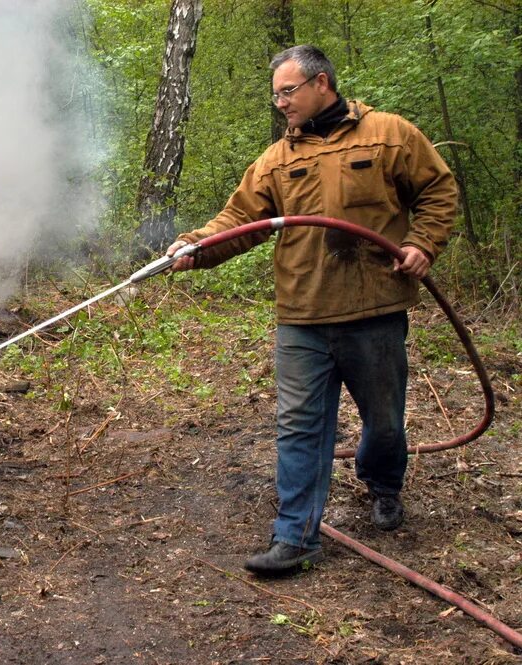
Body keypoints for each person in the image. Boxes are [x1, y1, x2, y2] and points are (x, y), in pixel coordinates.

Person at [166, 45, 457, 575]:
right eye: (275, 93)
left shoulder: (389, 134)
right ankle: (295, 536)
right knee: (299, 426)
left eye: (288, 91)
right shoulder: (277, 160)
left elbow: (438, 190)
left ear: (322, 83)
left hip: (374, 309)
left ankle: (383, 484)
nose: (280, 103)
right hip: (302, 314)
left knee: (385, 424)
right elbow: (237, 219)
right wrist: (194, 247)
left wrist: (422, 243)